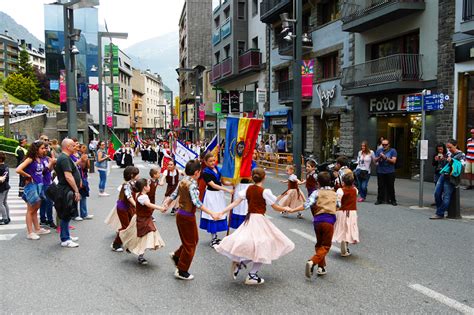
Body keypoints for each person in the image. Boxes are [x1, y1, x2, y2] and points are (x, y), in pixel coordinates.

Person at [215, 168, 294, 285]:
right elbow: (275, 207)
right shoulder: (265, 191)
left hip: (250, 219)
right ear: (264, 177)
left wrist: (222, 212)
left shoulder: (248, 189)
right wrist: (286, 208)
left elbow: (235, 203)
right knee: (263, 247)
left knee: (258, 246)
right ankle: (251, 274)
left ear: (252, 177)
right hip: (259, 221)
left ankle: (241, 264)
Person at [166, 159, 220, 280]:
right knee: (190, 244)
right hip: (187, 216)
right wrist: (212, 213)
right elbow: (197, 202)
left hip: (183, 215)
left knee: (193, 240)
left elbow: (174, 194)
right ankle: (182, 270)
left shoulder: (183, 181)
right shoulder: (193, 185)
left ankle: (177, 256)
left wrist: (167, 202)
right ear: (196, 172)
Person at [289, 172, 340, 279]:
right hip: (328, 221)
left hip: (317, 221)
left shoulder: (316, 192)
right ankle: (313, 261)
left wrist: (293, 209)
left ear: (318, 183)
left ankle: (321, 267)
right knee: (325, 246)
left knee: (319, 244)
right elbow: (339, 206)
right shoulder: (335, 194)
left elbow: (306, 205)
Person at [119, 178, 166, 265]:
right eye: (148, 185)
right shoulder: (143, 197)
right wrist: (161, 208)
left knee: (137, 236)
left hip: (143, 218)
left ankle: (131, 247)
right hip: (142, 220)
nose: (149, 186)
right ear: (144, 187)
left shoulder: (141, 195)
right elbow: (149, 204)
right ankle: (140, 255)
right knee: (143, 237)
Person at [16, 140, 51, 240]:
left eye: (44, 148)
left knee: (36, 208)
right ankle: (30, 232)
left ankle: (37, 229)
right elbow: (18, 169)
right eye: (42, 148)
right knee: (31, 209)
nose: (44, 150)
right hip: (31, 185)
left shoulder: (40, 159)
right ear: (36, 149)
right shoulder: (30, 159)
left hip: (39, 185)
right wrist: (28, 176)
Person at [199, 153, 233, 246]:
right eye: (210, 161)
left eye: (214, 160)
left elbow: (222, 181)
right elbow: (213, 185)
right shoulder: (205, 172)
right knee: (213, 214)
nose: (212, 163)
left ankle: (216, 237)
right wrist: (227, 190)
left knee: (220, 212)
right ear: (205, 162)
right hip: (211, 195)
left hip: (219, 195)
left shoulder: (218, 169)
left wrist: (232, 183)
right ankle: (213, 238)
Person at [53, 139, 82, 248]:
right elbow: (68, 176)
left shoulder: (65, 157)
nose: (76, 147)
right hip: (66, 190)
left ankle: (66, 235)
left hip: (66, 190)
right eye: (74, 145)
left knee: (68, 213)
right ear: (68, 146)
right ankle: (65, 239)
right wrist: (76, 190)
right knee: (66, 214)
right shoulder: (64, 158)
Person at [431, 139, 466, 219]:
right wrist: (439, 160)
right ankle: (440, 211)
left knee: (446, 196)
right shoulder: (448, 153)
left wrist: (452, 161)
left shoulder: (461, 155)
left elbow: (462, 166)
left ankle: (439, 213)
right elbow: (444, 165)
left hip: (451, 178)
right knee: (437, 193)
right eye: (448, 147)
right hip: (443, 175)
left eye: (450, 147)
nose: (449, 149)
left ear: (455, 145)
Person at [110, 166, 140, 251]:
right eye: (137, 174)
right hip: (122, 208)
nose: (139, 176)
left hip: (128, 207)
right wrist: (136, 205)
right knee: (126, 227)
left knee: (130, 225)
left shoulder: (133, 183)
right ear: (131, 175)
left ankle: (125, 239)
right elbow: (129, 196)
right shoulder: (126, 185)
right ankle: (115, 244)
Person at [333, 173, 359, 257]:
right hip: (352, 212)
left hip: (342, 211)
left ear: (343, 182)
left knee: (342, 227)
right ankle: (346, 245)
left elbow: (338, 203)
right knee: (350, 227)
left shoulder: (340, 190)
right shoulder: (355, 189)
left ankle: (343, 243)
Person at [39, 138, 57, 229]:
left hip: (48, 181)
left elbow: (49, 169)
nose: (45, 150)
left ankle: (45, 219)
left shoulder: (46, 158)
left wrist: (52, 163)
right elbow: (42, 171)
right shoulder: (38, 159)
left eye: (46, 148)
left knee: (48, 201)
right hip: (43, 183)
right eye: (43, 148)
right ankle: (48, 220)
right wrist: (50, 164)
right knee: (46, 202)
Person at [374, 139, 398, 206]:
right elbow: (375, 160)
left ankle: (393, 200)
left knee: (391, 186)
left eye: (386, 145)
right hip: (380, 171)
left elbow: (394, 161)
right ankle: (379, 200)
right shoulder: (379, 150)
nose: (384, 146)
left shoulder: (393, 151)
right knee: (380, 186)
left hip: (390, 171)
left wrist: (385, 158)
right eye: (383, 144)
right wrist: (379, 157)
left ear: (389, 145)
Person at [75, 144, 93, 221]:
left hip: (83, 177)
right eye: (76, 145)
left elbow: (86, 167)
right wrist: (81, 160)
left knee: (84, 195)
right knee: (75, 197)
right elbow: (73, 166)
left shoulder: (80, 155)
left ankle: (84, 213)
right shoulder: (71, 156)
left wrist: (86, 160)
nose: (77, 147)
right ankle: (75, 214)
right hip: (76, 178)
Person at [0, 153, 11, 225]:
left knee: (0, 203)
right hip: (6, 186)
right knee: (4, 202)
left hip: (1, 187)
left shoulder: (0, 168)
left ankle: (4, 218)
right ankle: (8, 217)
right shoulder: (6, 166)